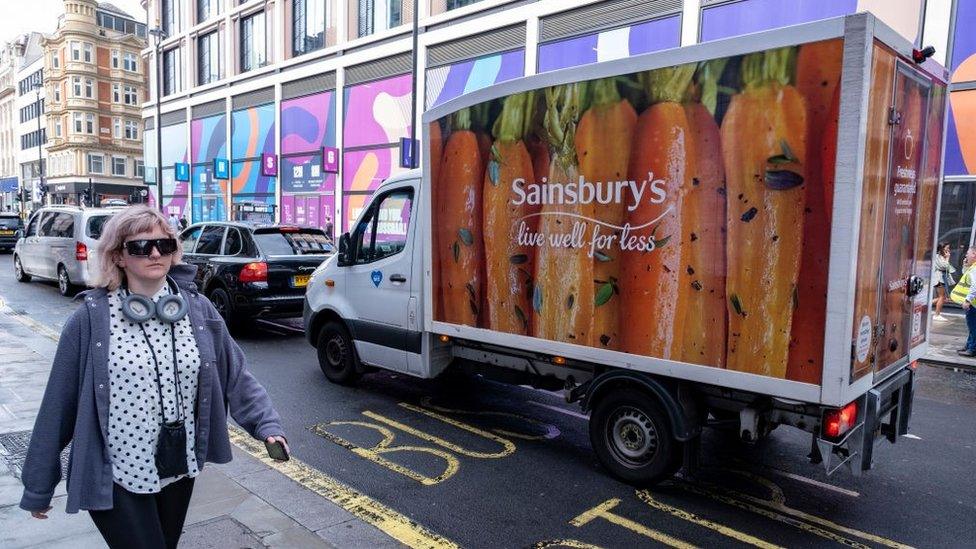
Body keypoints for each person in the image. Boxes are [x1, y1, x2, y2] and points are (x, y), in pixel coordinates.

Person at [19, 205, 289, 549]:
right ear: (118, 256)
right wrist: (39, 485)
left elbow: (236, 374)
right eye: (141, 246)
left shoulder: (199, 311)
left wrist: (267, 426)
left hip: (177, 464)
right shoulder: (90, 321)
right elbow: (58, 404)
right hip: (115, 472)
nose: (156, 253)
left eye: (164, 244)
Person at [951, 247, 976, 356]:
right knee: (972, 326)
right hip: (973, 303)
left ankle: (972, 349)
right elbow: (967, 278)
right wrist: (965, 266)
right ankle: (969, 346)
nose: (966, 256)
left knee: (974, 327)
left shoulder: (975, 268)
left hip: (973, 303)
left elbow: (975, 286)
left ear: (974, 254)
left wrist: (967, 300)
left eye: (968, 254)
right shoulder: (973, 267)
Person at [932, 242, 956, 321]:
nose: (948, 250)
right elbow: (945, 266)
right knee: (942, 297)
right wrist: (947, 258)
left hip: (940, 278)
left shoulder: (941, 256)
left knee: (942, 297)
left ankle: (923, 304)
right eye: (947, 248)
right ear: (942, 248)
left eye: (949, 248)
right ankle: (937, 315)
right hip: (938, 278)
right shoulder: (938, 256)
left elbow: (949, 268)